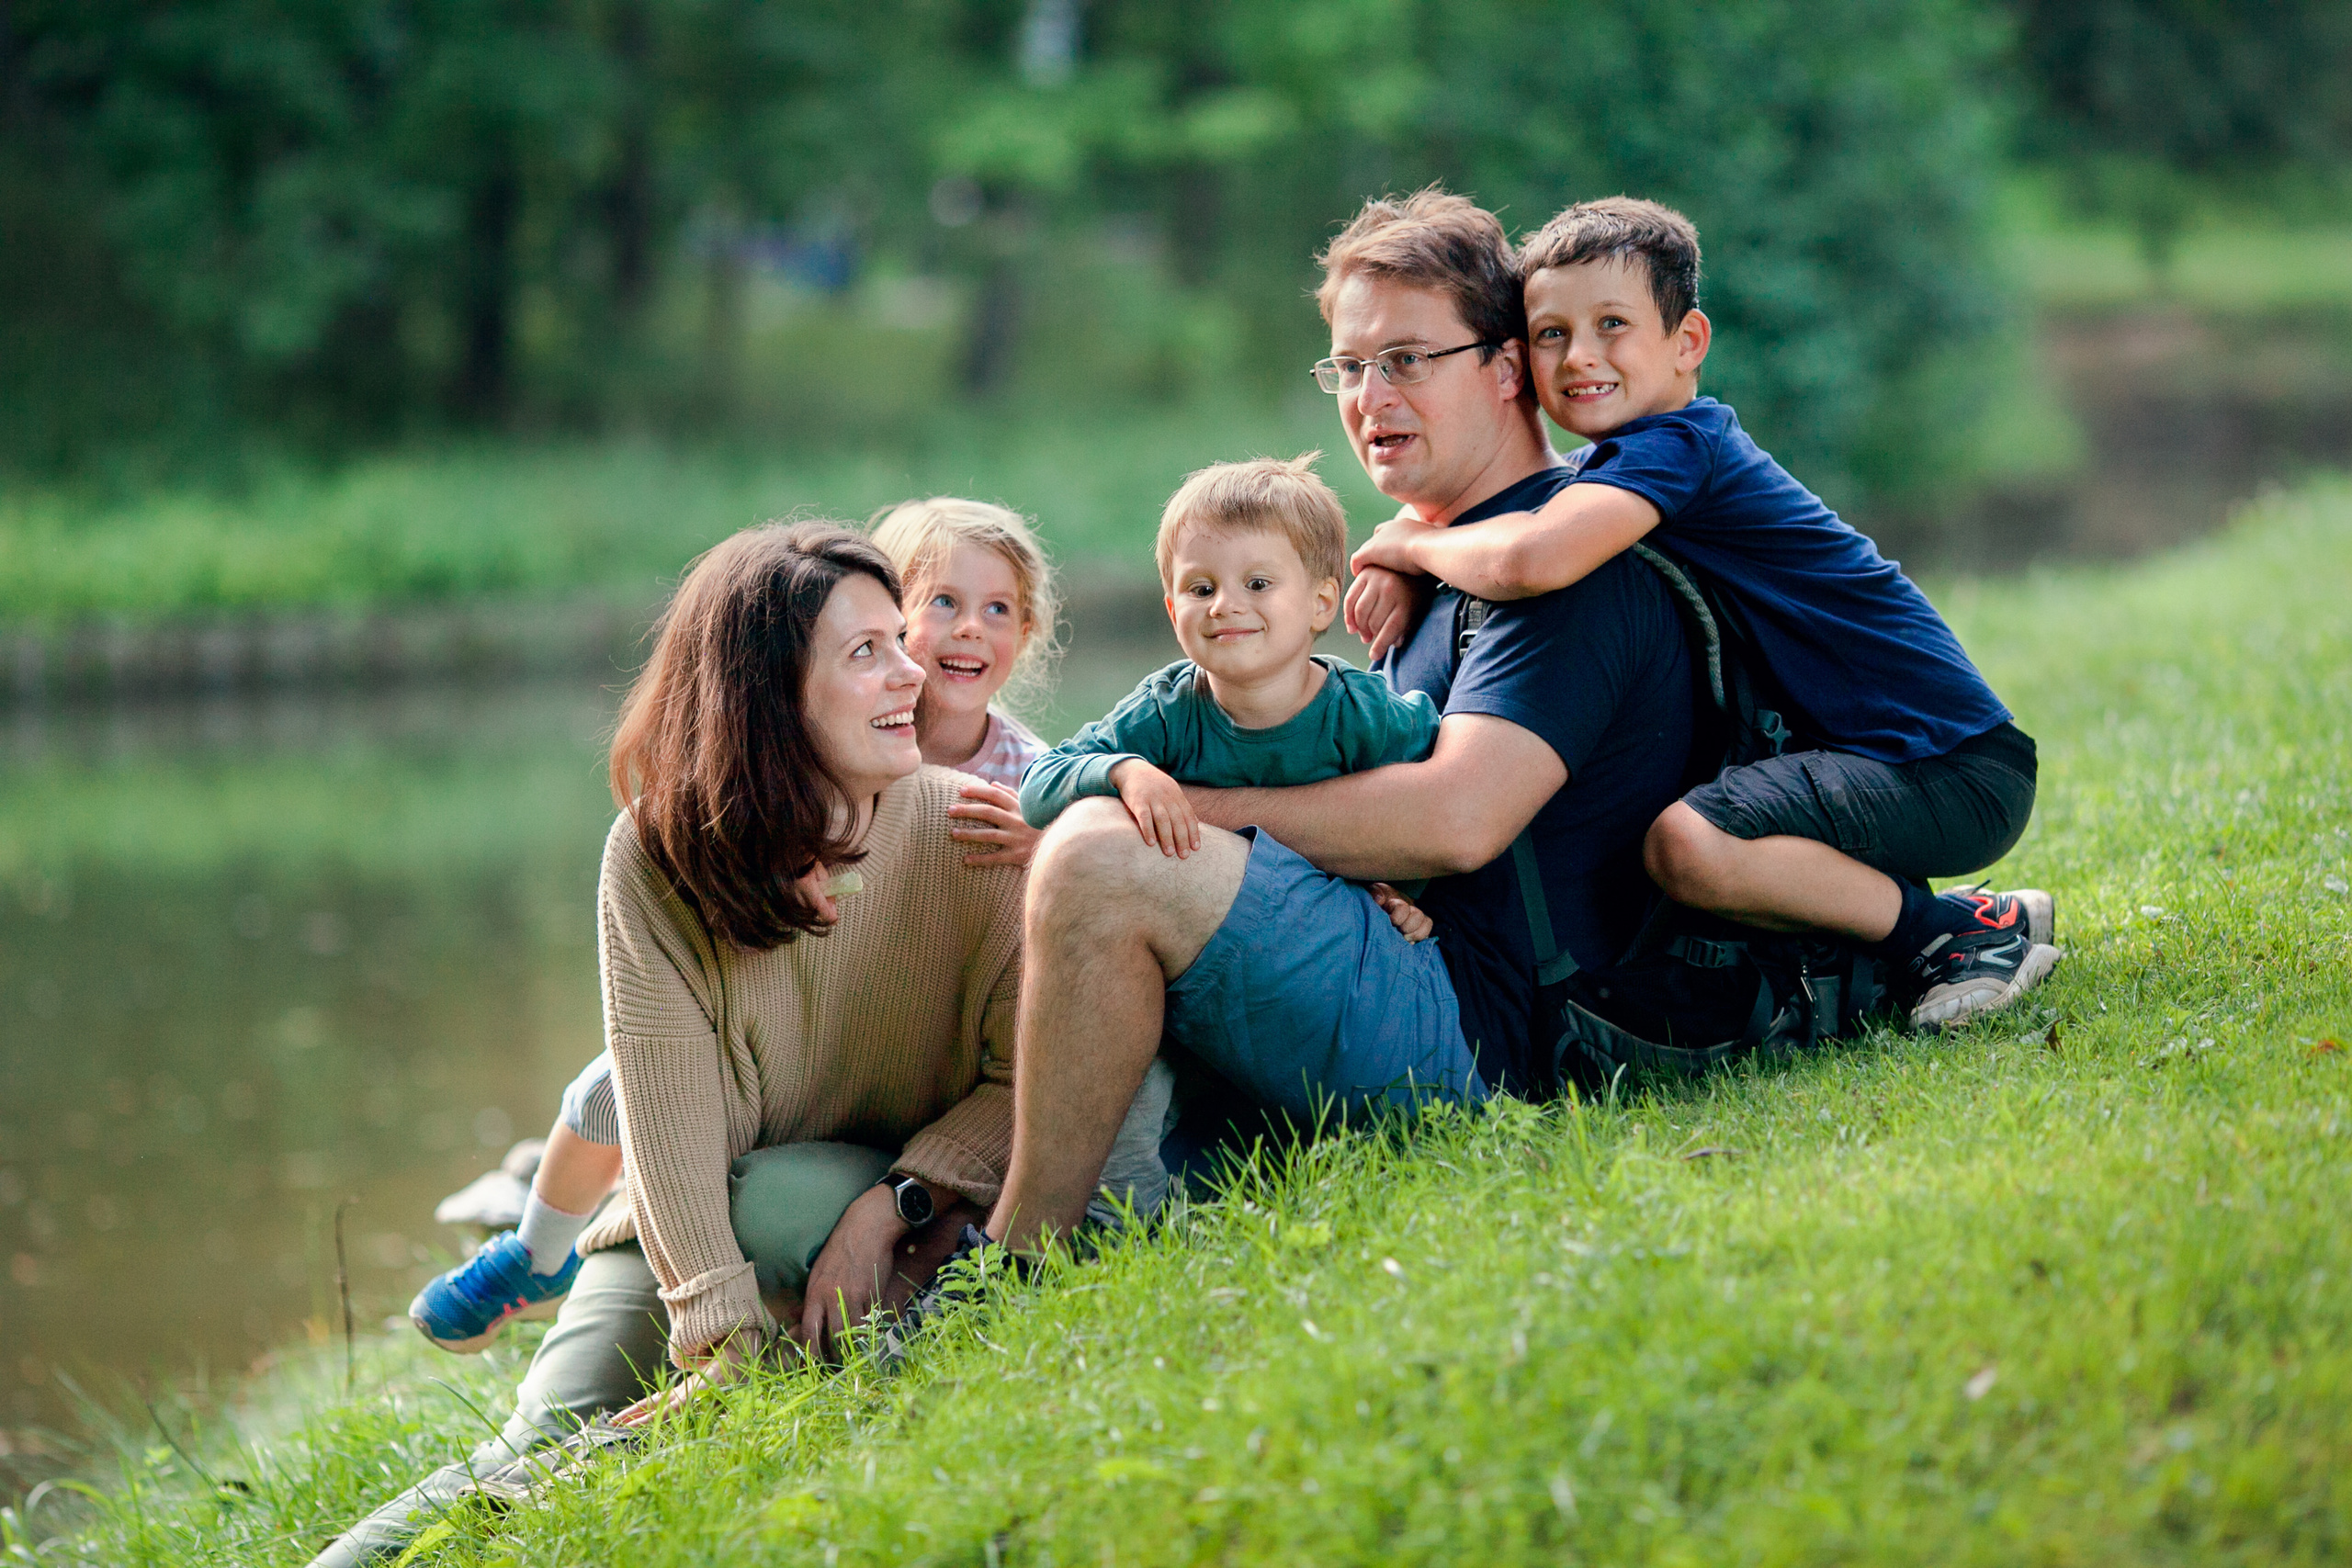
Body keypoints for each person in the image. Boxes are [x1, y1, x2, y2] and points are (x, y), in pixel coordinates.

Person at [312, 522, 1164, 1567]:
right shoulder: (655, 856)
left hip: (865, 1201)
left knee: (755, 1253)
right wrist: (715, 1331)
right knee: (539, 1442)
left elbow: (1024, 1082)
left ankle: (742, 1389)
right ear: (769, 694)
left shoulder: (970, 831)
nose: (911, 672)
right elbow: (665, 1122)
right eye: (867, 652)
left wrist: (893, 1202)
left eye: (897, 639)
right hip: (690, 1219)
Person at [928, 189, 1702, 1267]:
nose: (1370, 397)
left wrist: (1171, 812)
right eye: (1349, 367)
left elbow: (1457, 821)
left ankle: (1014, 1260)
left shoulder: (1562, 574)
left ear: (1507, 368)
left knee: (1102, 855)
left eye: (1407, 360)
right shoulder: (1431, 568)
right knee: (1028, 853)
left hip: (1489, 1037)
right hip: (1392, 962)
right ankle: (918, 1203)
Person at [1346, 197, 2057, 1032]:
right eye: (1551, 334)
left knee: (1692, 844)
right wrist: (1414, 559)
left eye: (1612, 325)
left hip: (1945, 761)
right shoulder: (1614, 470)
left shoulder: (1679, 446)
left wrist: (1411, 543)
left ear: (1687, 343)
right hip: (1898, 757)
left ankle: (1948, 936)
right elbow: (1517, 520)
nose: (1579, 356)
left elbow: (1527, 557)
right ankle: (1974, 914)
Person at [407, 498, 1060, 1353]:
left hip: (913, 1122)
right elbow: (747, 795)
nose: (938, 651)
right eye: (928, 612)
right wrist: (787, 852)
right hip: (769, 1097)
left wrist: (1054, 844)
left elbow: (1036, 1044)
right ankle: (540, 1248)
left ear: (1029, 632)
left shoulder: (1017, 783)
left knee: (763, 1196)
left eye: (998, 609)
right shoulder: (725, 820)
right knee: (613, 1093)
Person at [1018, 454, 1439, 952]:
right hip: (1205, 940)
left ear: (1321, 603)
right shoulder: (1166, 710)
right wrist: (1125, 772)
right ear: (1173, 610)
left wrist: (1404, 893)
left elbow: (1436, 811)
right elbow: (1038, 785)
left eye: (1257, 584)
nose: (1224, 605)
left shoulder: (1362, 713)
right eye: (1201, 589)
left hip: (1333, 941)